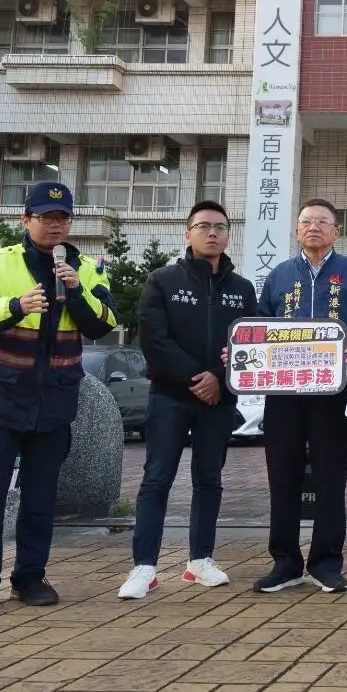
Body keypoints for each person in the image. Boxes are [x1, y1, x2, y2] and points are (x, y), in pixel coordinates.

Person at [0, 182, 118, 614]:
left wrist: (76, 291)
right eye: (46, 217)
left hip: (55, 401)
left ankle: (30, 577)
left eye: (62, 218)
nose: (55, 225)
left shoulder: (85, 268)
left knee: (42, 499)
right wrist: (15, 305)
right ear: (26, 221)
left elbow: (104, 324)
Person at [119, 201, 257, 599]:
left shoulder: (242, 289)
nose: (212, 233)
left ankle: (200, 561)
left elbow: (249, 343)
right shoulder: (162, 280)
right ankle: (144, 567)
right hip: (170, 397)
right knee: (157, 478)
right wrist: (198, 377)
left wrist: (220, 379)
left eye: (220, 227)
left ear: (229, 235)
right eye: (203, 226)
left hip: (219, 399)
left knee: (209, 479)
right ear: (188, 234)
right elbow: (154, 340)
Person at [255, 199, 347, 594]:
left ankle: (326, 562)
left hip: (332, 390)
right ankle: (285, 562)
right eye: (306, 222)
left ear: (335, 231)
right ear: (297, 231)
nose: (314, 227)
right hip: (284, 392)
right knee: (283, 476)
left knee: (330, 476)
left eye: (322, 222)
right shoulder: (278, 275)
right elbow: (259, 327)